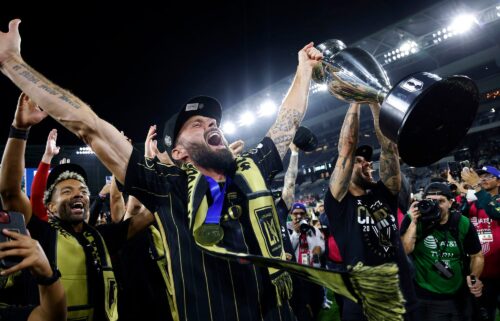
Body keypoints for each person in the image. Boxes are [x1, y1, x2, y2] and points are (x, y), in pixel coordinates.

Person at [0, 20, 322, 320]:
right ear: (178, 151)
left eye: (213, 123)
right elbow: (91, 126)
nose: (211, 125)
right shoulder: (168, 187)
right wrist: (13, 63)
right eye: (197, 124)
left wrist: (304, 69)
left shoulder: (253, 168)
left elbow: (288, 120)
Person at [0, 92, 154, 321]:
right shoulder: (41, 233)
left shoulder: (102, 237)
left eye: (83, 191)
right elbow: (10, 191)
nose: (78, 195)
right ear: (50, 206)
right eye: (67, 191)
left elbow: (151, 211)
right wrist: (19, 129)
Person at [324, 102, 417, 321]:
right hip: (364, 304)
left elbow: (389, 149)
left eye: (367, 160)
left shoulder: (383, 193)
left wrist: (375, 104)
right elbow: (346, 146)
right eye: (359, 161)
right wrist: (355, 101)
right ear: (343, 172)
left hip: (402, 298)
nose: (368, 164)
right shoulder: (338, 204)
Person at [400, 182, 484, 321]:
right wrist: (414, 223)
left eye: (440, 201)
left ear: (450, 203)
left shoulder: (461, 222)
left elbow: (477, 255)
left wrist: (475, 276)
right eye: (430, 201)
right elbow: (405, 250)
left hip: (458, 295)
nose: (435, 205)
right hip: (424, 295)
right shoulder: (413, 220)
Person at [460, 165, 500, 320]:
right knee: (481, 314)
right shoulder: (471, 203)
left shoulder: (494, 202)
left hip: (498, 269)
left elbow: (495, 211)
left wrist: (477, 187)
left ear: (498, 182)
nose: (482, 179)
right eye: (480, 176)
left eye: (488, 176)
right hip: (478, 270)